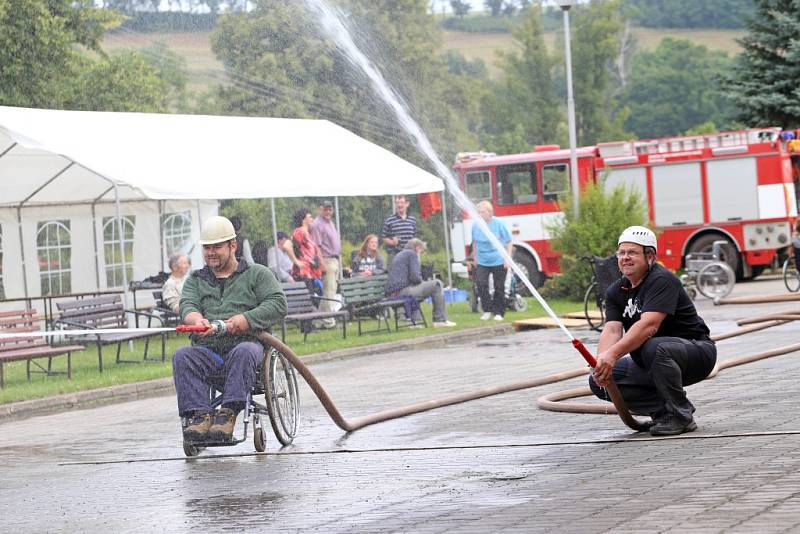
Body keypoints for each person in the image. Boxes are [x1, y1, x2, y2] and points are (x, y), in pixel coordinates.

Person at [589, 226, 717, 436]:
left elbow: (649, 326)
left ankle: (681, 416)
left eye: (632, 252)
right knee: (599, 382)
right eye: (621, 253)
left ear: (650, 256)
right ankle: (664, 413)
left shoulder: (661, 280)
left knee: (652, 347)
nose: (626, 258)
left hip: (695, 353)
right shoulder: (615, 291)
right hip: (652, 359)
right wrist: (601, 362)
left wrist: (613, 355)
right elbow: (612, 329)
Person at [173, 215, 287, 444]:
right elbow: (188, 305)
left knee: (244, 351)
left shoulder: (258, 274)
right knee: (182, 356)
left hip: (248, 351)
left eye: (217, 247)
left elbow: (277, 303)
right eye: (207, 248)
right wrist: (196, 320)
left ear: (232, 245)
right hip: (210, 354)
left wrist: (243, 320)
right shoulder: (195, 280)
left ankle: (227, 414)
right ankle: (199, 416)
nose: (211, 253)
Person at [385, 238, 456, 328]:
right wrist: (423, 282)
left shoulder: (399, 255)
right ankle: (440, 320)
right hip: (403, 292)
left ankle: (416, 321)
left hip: (393, 293)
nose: (420, 255)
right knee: (437, 284)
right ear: (417, 248)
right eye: (421, 252)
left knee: (417, 288)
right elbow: (415, 277)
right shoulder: (412, 254)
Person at [471, 201, 512, 321]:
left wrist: (507, 259)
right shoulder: (475, 225)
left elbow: (509, 241)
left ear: (489, 212)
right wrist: (475, 258)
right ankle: (487, 309)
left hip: (498, 259)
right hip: (483, 260)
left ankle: (499, 312)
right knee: (481, 284)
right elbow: (474, 242)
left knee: (499, 286)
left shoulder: (499, 224)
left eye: (482, 212)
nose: (479, 214)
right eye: (478, 212)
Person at [309, 200, 341, 328]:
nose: (328, 212)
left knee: (331, 291)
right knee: (329, 291)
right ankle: (328, 322)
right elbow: (317, 246)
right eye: (325, 209)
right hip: (326, 259)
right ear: (320, 209)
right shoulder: (317, 224)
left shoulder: (330, 222)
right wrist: (322, 263)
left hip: (334, 259)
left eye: (330, 209)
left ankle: (318, 320)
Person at [284, 208, 324, 285]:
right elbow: (287, 245)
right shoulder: (299, 231)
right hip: (302, 273)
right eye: (310, 217)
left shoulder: (308, 233)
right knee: (307, 296)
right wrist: (296, 261)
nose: (312, 219)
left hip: (310, 274)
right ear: (303, 219)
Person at [381, 195, 417, 265]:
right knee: (395, 275)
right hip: (395, 254)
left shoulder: (412, 220)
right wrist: (392, 242)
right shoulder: (389, 220)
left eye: (401, 202)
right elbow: (384, 238)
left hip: (410, 254)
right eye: (397, 203)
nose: (399, 205)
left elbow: (415, 237)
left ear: (407, 204)